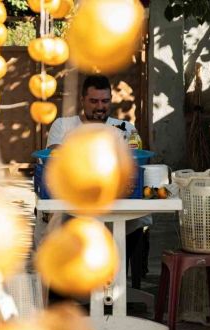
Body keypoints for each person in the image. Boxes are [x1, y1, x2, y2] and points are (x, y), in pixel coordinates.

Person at [45, 74, 151, 290]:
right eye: (94, 101)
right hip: (75, 199)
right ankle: (64, 289)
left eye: (105, 101)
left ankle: (115, 282)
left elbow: (133, 159)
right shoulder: (64, 126)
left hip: (116, 198)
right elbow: (53, 158)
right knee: (60, 219)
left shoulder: (123, 127)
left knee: (139, 219)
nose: (100, 107)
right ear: (83, 101)